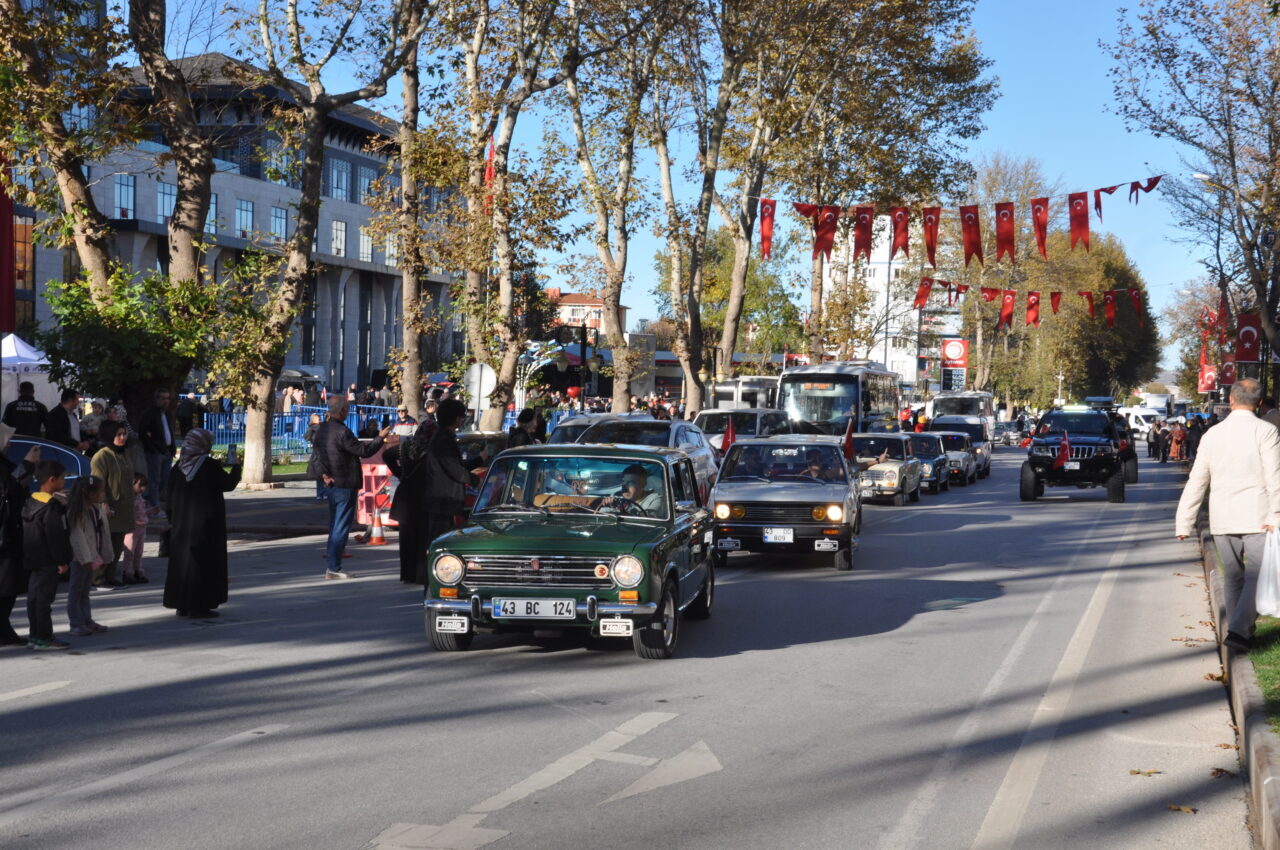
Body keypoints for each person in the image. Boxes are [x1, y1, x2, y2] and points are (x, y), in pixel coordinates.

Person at [1176, 379, 1280, 652]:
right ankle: (1238, 630)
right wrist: (1276, 513)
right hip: (1259, 515)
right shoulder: (1266, 431)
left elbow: (1197, 479)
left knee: (1233, 575)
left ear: (1231, 400)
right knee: (1257, 575)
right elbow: (1275, 477)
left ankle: (1240, 632)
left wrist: (1184, 521)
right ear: (1259, 403)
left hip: (1222, 517)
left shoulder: (1213, 434)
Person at [163, 429, 241, 618]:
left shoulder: (178, 468)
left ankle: (181, 604)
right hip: (206, 526)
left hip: (181, 527)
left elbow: (168, 498)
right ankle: (199, 606)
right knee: (203, 565)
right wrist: (237, 467)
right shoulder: (209, 466)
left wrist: (173, 519)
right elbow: (228, 484)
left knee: (182, 565)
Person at [312, 396, 392, 579]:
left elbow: (316, 456)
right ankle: (334, 567)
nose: (348, 412)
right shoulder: (342, 431)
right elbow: (363, 451)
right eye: (346, 408)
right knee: (341, 526)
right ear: (341, 411)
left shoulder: (322, 430)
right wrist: (380, 438)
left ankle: (332, 564)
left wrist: (324, 474)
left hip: (331, 483)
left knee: (335, 524)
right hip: (344, 483)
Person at [423, 399, 486, 553]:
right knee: (440, 542)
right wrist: (475, 480)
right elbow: (454, 469)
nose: (462, 419)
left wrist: (479, 459)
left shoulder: (444, 437)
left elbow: (457, 466)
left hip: (444, 499)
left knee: (443, 539)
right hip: (443, 499)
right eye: (461, 416)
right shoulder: (443, 439)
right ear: (456, 418)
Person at [22, 460, 72, 650]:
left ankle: (34, 636)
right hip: (49, 561)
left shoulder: (30, 501)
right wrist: (62, 561)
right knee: (44, 601)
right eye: (62, 478)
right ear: (52, 480)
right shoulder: (50, 506)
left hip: (32, 559)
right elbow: (55, 536)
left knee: (34, 600)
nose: (64, 482)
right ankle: (44, 638)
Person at [384, 418, 438, 584]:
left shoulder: (406, 447)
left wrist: (401, 473)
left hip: (406, 496)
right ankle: (420, 575)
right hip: (423, 497)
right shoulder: (433, 450)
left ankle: (407, 574)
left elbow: (387, 455)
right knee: (423, 539)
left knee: (407, 539)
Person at [0, 425, 38, 647]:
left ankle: (4, 629)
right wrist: (27, 466)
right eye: (7, 439)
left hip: (9, 533)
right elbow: (10, 492)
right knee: (6, 586)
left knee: (8, 586)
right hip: (4, 536)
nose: (10, 444)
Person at [90, 421, 136, 589]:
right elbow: (98, 481)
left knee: (117, 545)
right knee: (104, 544)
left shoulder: (124, 453)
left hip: (123, 507)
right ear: (109, 436)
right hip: (109, 508)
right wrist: (103, 503)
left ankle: (110, 576)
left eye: (124, 433)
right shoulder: (102, 456)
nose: (123, 437)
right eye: (118, 434)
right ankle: (98, 578)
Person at [65, 474, 112, 636]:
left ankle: (87, 620)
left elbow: (101, 532)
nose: (103, 494)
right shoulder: (77, 512)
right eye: (101, 491)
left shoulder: (95, 508)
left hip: (91, 555)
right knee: (76, 591)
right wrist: (84, 558)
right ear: (91, 494)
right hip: (81, 558)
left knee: (85, 591)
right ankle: (76, 623)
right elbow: (77, 538)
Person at [139, 389, 177, 509]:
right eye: (163, 398)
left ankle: (147, 497)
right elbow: (143, 433)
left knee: (164, 480)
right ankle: (154, 506)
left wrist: (172, 449)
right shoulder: (149, 413)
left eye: (168, 398)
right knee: (154, 480)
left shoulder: (168, 413)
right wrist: (152, 448)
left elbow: (169, 431)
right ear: (157, 399)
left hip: (167, 451)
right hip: (155, 452)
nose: (166, 401)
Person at [122, 472, 157, 584]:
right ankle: (128, 573)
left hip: (141, 528)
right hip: (132, 529)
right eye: (140, 485)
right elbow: (127, 513)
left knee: (139, 552)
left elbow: (142, 513)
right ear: (132, 484)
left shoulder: (139, 497)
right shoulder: (129, 498)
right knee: (130, 553)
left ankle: (138, 572)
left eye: (144, 486)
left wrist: (151, 512)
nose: (143, 488)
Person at [46, 389, 90, 453]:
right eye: (77, 399)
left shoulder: (73, 415)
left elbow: (77, 431)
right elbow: (57, 435)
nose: (78, 402)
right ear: (70, 400)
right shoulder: (54, 414)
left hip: (75, 453)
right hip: (62, 454)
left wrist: (84, 441)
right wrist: (77, 444)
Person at [304, 413, 325, 500]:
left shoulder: (316, 428)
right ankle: (322, 493)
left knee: (320, 475)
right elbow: (307, 437)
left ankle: (321, 494)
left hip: (318, 454)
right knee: (322, 475)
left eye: (319, 418)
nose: (319, 420)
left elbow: (307, 437)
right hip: (320, 454)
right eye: (318, 418)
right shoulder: (315, 428)